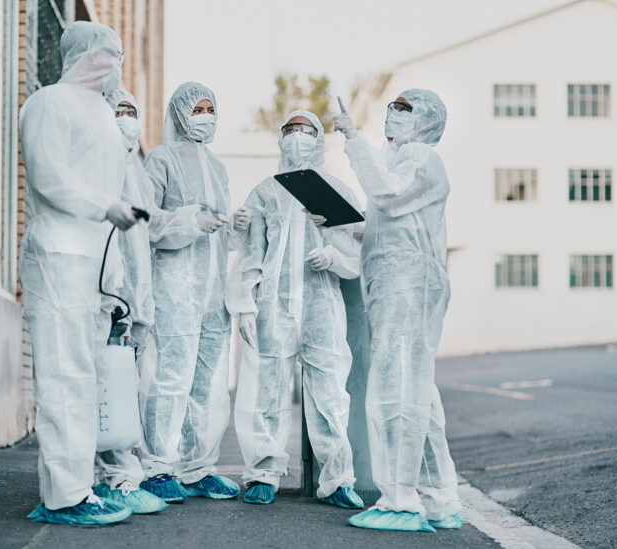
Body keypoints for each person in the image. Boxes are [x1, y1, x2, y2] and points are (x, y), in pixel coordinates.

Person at [19, 22, 142, 525]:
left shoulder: (102, 115)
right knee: (64, 377)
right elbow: (49, 176)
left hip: (92, 269)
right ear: (85, 56)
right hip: (59, 259)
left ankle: (81, 485)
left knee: (86, 378)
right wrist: (104, 206)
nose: (116, 64)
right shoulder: (50, 102)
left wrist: (114, 277)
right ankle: (63, 497)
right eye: (109, 54)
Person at [332, 90, 463, 532]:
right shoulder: (403, 162)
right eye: (392, 108)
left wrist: (352, 138)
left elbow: (387, 196)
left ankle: (399, 499)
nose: (394, 116)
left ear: (426, 121)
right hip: (398, 284)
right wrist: (347, 225)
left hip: (407, 286)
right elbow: (391, 220)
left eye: (405, 110)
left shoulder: (424, 159)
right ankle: (441, 498)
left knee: (396, 386)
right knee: (418, 390)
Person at [226, 110, 364, 508]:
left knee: (330, 396)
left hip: (321, 306)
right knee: (268, 393)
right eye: (290, 130)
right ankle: (262, 474)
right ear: (280, 138)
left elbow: (356, 248)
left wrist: (332, 257)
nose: (298, 137)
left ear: (319, 139)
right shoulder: (265, 192)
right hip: (275, 307)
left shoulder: (336, 189)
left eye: (306, 130)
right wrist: (245, 305)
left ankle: (337, 479)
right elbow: (251, 253)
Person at [93, 89, 213, 512]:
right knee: (100, 390)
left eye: (131, 112)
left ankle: (123, 475)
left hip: (133, 301)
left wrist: (191, 220)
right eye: (118, 111)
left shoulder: (136, 170)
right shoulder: (97, 165)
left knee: (123, 392)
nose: (126, 119)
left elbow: (152, 224)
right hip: (106, 296)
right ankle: (110, 479)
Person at [138, 82, 250, 502]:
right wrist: (189, 220)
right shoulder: (161, 160)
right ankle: (157, 468)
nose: (205, 115)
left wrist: (236, 228)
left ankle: (198, 466)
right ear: (180, 113)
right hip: (175, 289)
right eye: (197, 108)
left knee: (206, 384)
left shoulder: (218, 167)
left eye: (210, 108)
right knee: (171, 378)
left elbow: (221, 235)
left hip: (212, 293)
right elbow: (148, 222)